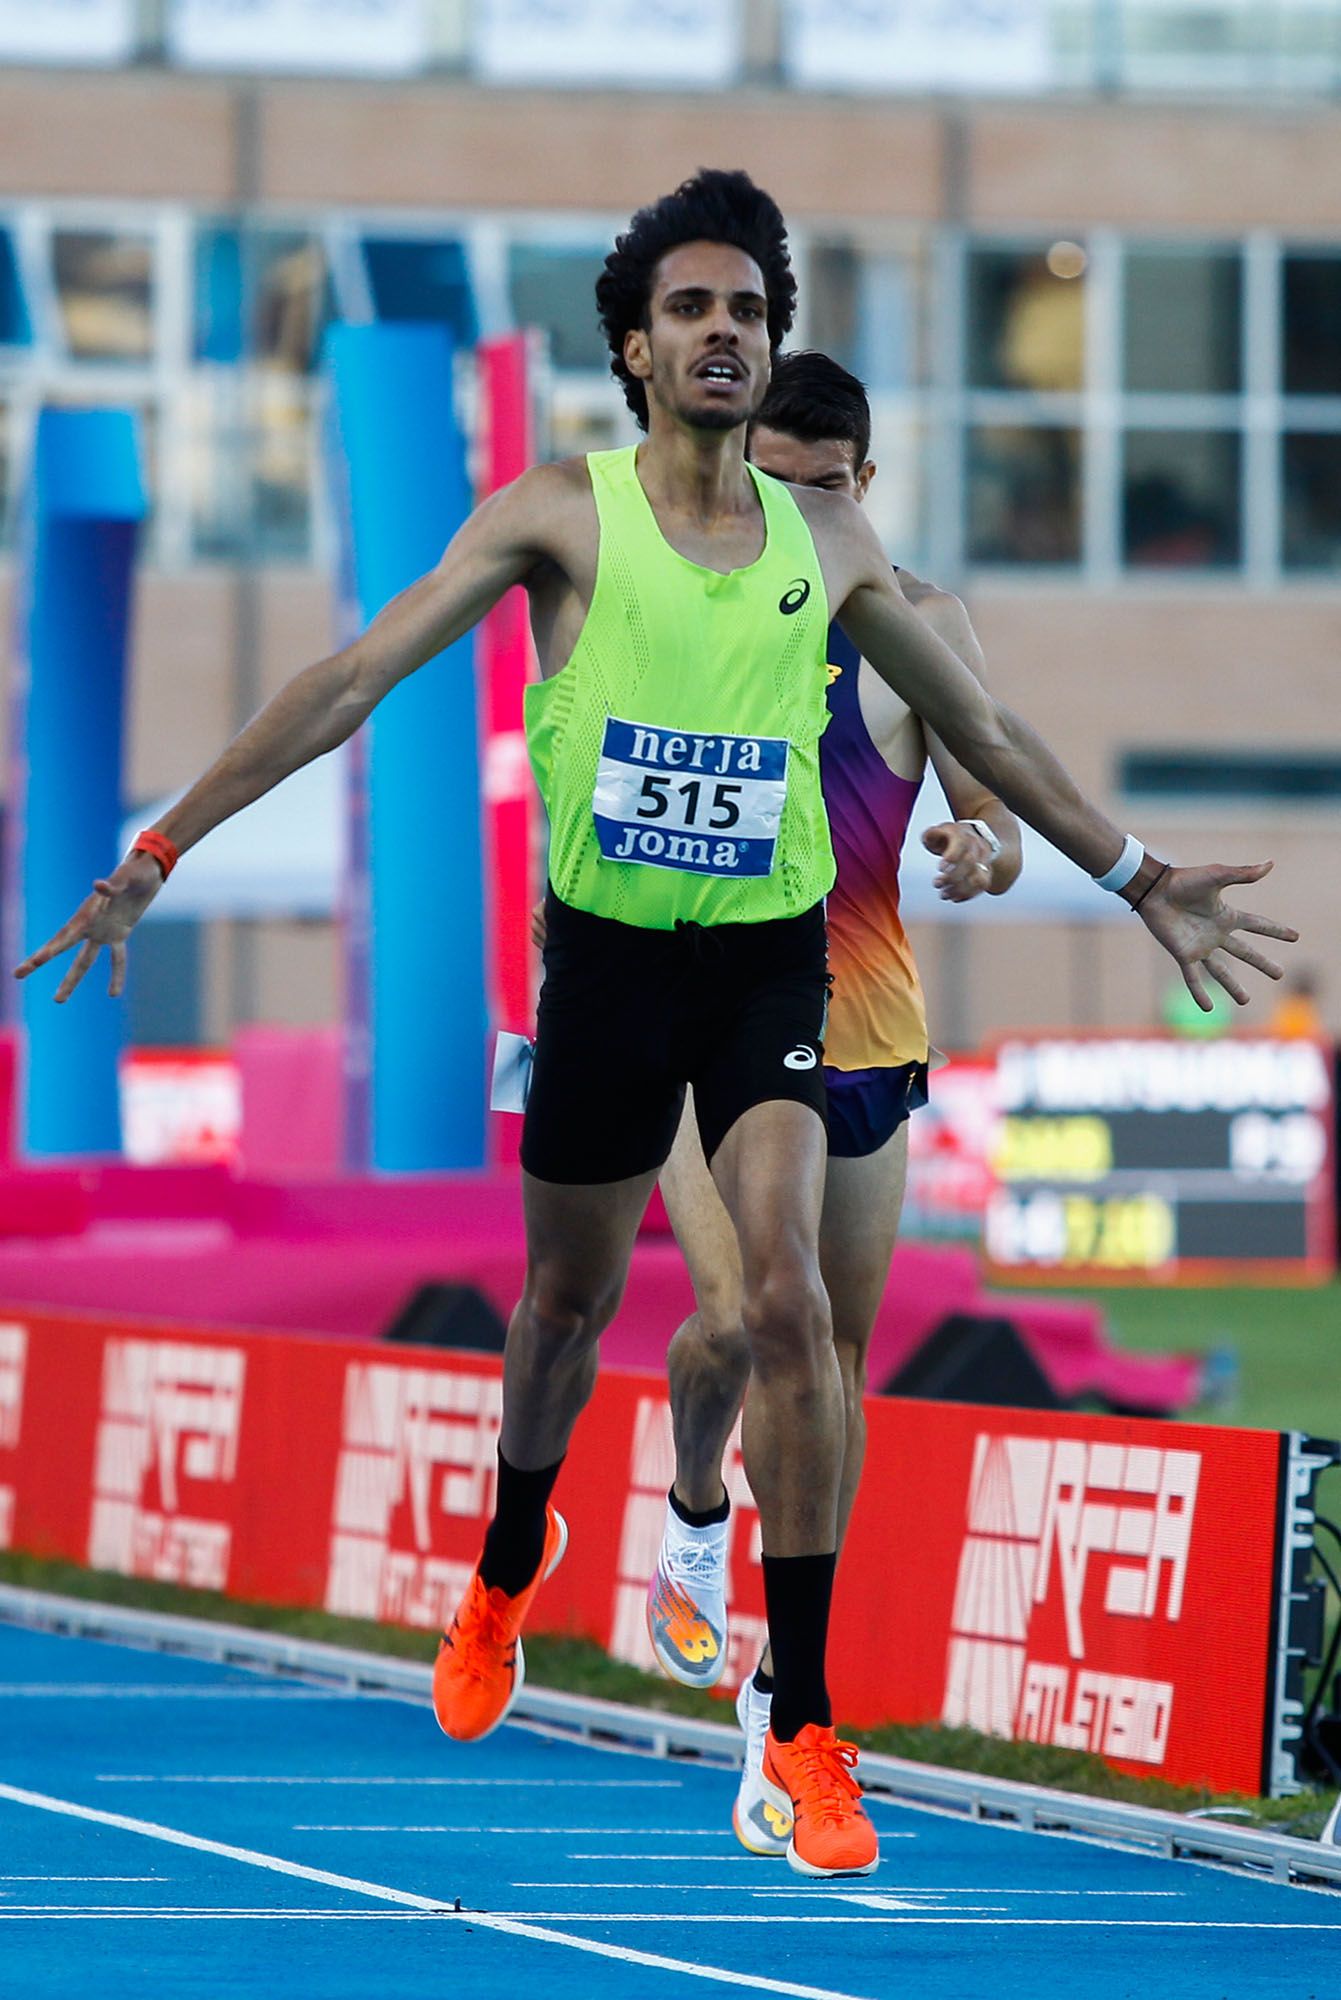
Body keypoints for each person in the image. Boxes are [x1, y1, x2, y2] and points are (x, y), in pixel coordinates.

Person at [14, 169, 1296, 1883]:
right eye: (691, 311)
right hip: (608, 971)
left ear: (772, 351)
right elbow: (347, 681)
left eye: (748, 313)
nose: (723, 335)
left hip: (767, 974)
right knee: (565, 1307)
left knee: (784, 1308)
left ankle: (812, 1725)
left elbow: (982, 722)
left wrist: (1132, 874)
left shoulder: (830, 548)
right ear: (633, 348)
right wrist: (159, 847)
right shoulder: (561, 514)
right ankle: (505, 1561)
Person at [638, 349, 1022, 1858]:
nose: (787, 512)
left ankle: (782, 1702)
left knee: (833, 1363)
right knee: (745, 1322)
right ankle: (687, 1514)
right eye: (766, 485)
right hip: (699, 1028)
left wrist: (983, 853)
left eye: (815, 489)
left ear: (862, 482)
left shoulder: (924, 623)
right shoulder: (690, 603)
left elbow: (988, 802)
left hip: (863, 1027)